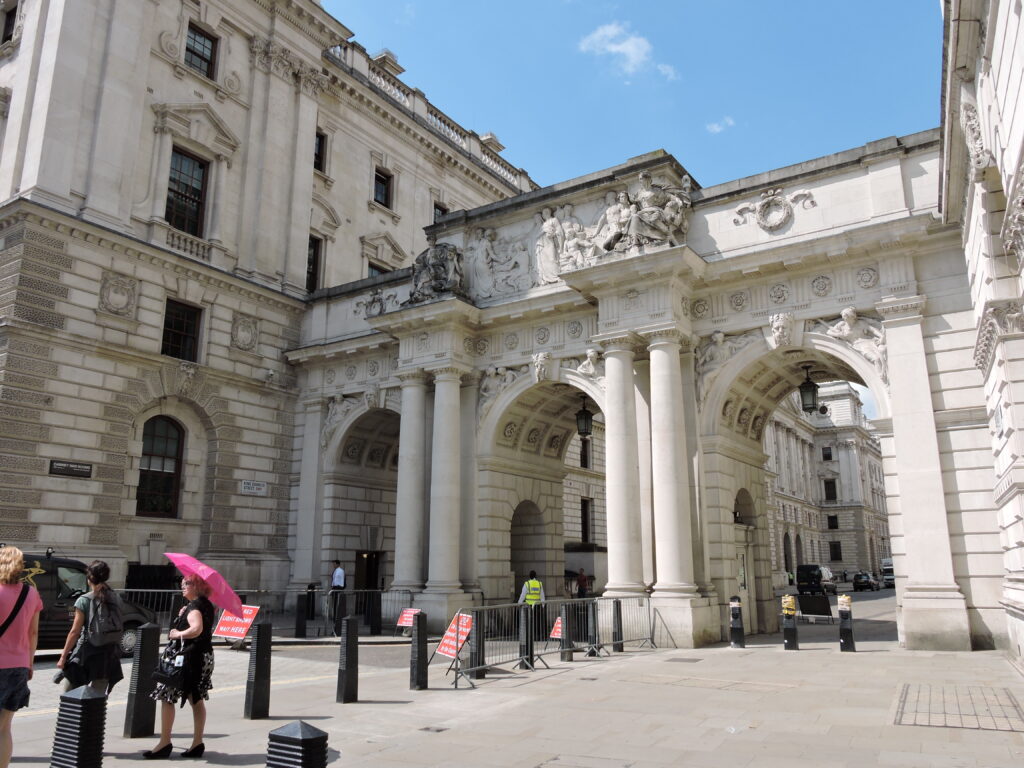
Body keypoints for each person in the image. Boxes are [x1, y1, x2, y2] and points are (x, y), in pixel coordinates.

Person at [144, 575, 216, 760]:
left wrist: (178, 633)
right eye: (182, 583)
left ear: (197, 586)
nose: (183, 586)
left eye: (188, 583)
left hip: (188, 660)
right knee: (196, 698)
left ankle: (164, 743)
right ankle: (197, 743)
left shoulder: (194, 607)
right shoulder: (206, 604)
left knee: (167, 696)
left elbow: (197, 628)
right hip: (204, 656)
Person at [0, 546, 42, 768]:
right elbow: (33, 632)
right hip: (18, 664)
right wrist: (29, 662)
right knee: (4, 728)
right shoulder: (31, 593)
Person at [56, 560, 124, 695]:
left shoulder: (84, 600)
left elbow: (75, 632)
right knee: (97, 699)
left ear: (89, 578)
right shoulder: (116, 598)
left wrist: (63, 657)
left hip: (86, 654)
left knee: (70, 696)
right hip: (108, 655)